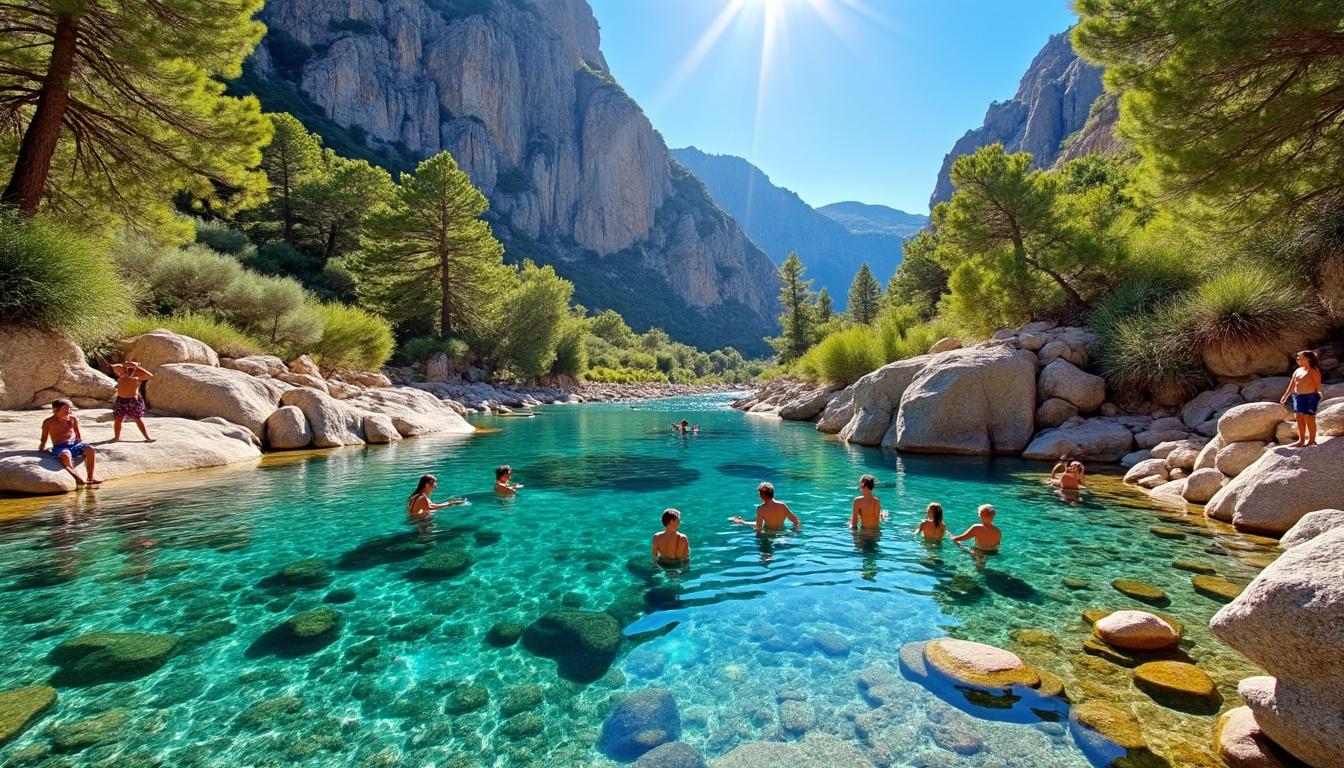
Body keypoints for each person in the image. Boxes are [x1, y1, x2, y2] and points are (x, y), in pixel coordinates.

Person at [40, 399, 101, 486]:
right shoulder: (48, 422)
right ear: (56, 409)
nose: (68, 410)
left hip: (74, 445)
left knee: (90, 449)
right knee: (66, 454)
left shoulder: (73, 419)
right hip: (60, 446)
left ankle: (91, 477)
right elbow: (44, 437)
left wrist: (79, 441)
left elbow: (77, 433)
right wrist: (42, 448)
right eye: (65, 408)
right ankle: (76, 476)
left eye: (69, 408)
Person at [1281, 350, 1324, 447]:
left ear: (1308, 359)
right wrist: (1285, 396)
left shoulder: (1314, 371)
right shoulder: (1297, 370)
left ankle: (1312, 440)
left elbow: (1318, 386)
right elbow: (1291, 385)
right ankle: (1301, 440)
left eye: (1300, 357)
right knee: (1299, 418)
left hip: (1310, 396)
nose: (1298, 359)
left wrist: (1317, 396)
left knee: (1309, 418)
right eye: (1298, 358)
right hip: (1297, 397)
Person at [110, 360, 155, 442]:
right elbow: (114, 367)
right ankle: (116, 437)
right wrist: (124, 365)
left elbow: (150, 376)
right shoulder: (121, 375)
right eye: (123, 371)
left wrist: (137, 367)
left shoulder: (137, 378)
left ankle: (147, 437)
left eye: (126, 371)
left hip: (133, 402)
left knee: (138, 419)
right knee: (118, 419)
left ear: (131, 371)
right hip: (121, 401)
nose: (122, 373)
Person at [731, 482, 801, 533]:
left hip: (769, 534)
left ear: (760, 496)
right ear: (773, 493)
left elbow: (758, 527)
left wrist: (758, 538)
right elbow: (796, 521)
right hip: (782, 532)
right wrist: (793, 533)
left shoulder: (761, 508)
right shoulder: (782, 505)